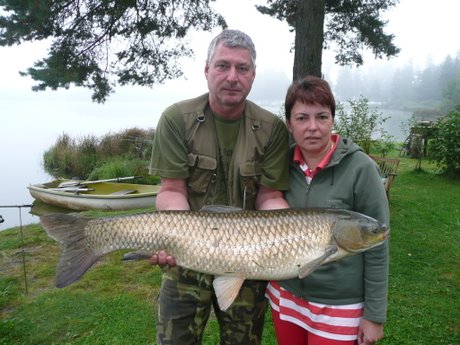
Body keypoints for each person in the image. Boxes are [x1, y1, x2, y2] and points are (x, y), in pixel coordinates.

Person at [148, 29, 290, 345]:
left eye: (242, 68)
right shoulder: (176, 119)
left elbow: (270, 196)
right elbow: (172, 189)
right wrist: (172, 238)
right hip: (187, 258)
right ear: (207, 70)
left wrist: (291, 233)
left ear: (253, 75)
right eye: (222, 66)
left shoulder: (272, 130)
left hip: (249, 260)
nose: (231, 77)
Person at [265, 76, 390, 345]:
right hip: (286, 295)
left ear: (332, 119)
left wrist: (375, 315)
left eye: (322, 117)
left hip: (338, 305)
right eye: (302, 118)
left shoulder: (361, 169)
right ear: (289, 123)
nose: (313, 127)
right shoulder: (281, 164)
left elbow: (378, 248)